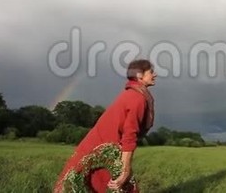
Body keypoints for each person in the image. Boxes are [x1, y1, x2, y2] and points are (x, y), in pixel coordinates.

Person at [54, 59, 156, 192]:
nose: (155, 74)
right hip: (102, 151)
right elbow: (129, 135)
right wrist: (124, 171)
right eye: (151, 71)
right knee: (123, 187)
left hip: (100, 148)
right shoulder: (137, 98)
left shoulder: (131, 94)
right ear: (139, 75)